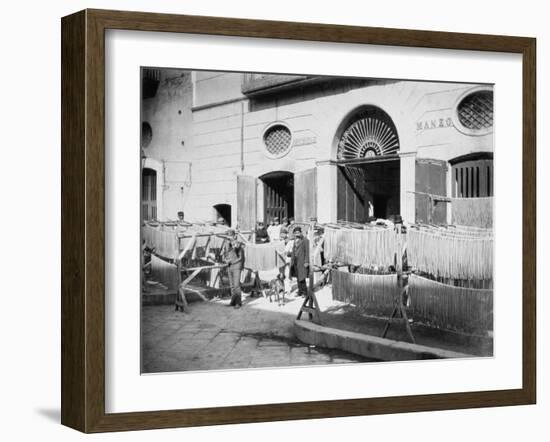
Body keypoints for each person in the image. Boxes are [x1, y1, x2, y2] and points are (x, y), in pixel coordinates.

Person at [223, 229, 244, 308]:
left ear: (234, 236)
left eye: (230, 236)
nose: (229, 238)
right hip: (229, 266)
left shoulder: (237, 244)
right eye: (228, 236)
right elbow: (225, 255)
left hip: (236, 266)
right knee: (232, 286)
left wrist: (232, 262)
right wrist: (225, 260)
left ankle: (238, 302)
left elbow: (240, 257)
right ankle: (233, 301)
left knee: (236, 285)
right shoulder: (226, 244)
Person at [290, 226, 310, 297]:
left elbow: (307, 252)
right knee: (298, 276)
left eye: (298, 232)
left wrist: (306, 261)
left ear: (301, 232)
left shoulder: (305, 240)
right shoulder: (295, 240)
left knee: (302, 276)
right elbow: (293, 250)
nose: (296, 234)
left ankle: (304, 292)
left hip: (302, 260)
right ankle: (300, 291)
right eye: (295, 233)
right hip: (295, 260)